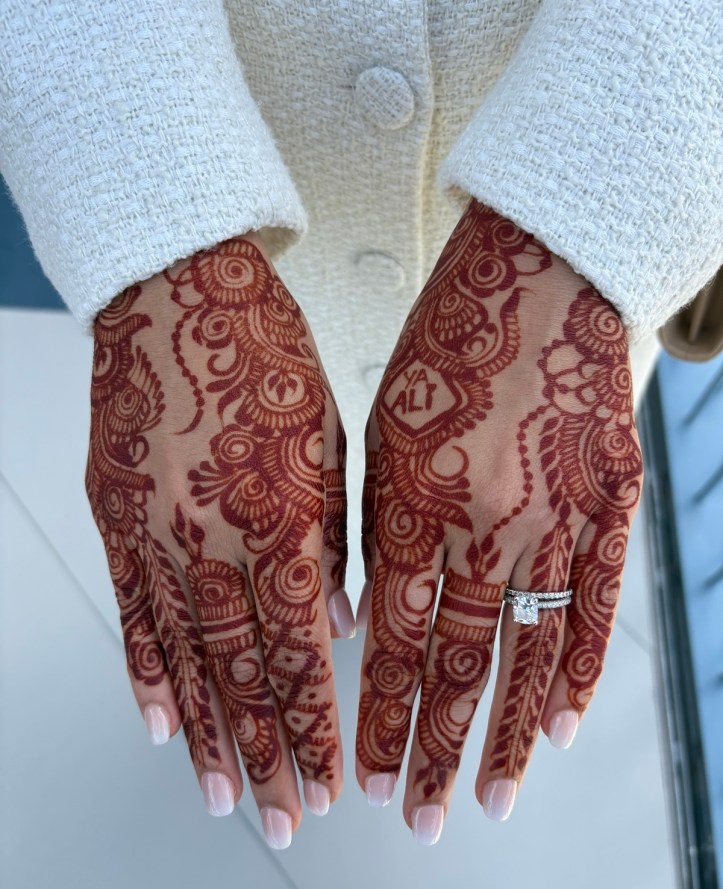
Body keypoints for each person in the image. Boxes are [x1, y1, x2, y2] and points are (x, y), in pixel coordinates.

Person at [1, 0, 720, 852]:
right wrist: (151, 206)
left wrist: (595, 205)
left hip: (567, 233)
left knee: (497, 512)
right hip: (216, 125)